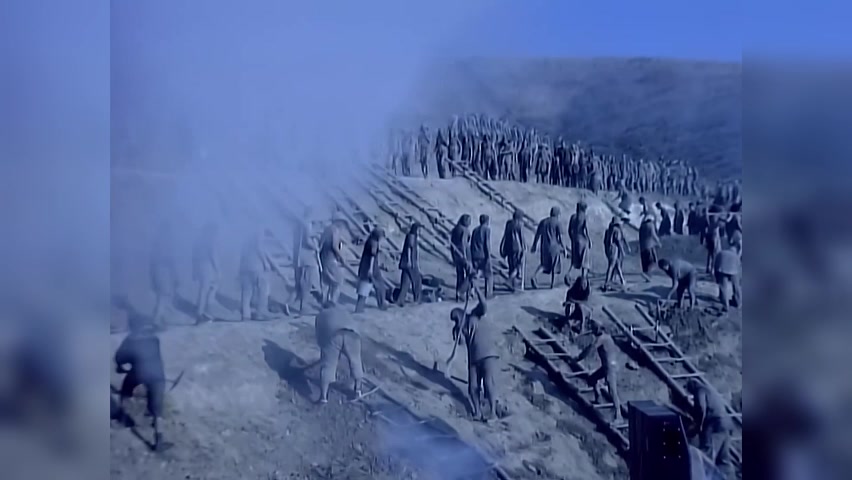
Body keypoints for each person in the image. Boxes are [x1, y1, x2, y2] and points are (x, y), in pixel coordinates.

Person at [114, 317, 167, 450]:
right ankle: (159, 441)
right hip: (157, 375)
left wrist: (120, 367)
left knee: (125, 391)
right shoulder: (154, 340)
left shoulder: (130, 341)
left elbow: (119, 357)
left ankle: (123, 417)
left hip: (138, 373)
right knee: (158, 409)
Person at [450, 284, 500, 421]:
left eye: (456, 318)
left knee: (488, 383)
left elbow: (484, 305)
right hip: (473, 359)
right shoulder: (460, 329)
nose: (455, 321)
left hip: (487, 354)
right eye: (454, 320)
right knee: (472, 387)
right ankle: (477, 412)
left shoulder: (474, 315)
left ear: (461, 314)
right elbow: (460, 343)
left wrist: (477, 289)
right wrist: (458, 331)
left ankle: (493, 413)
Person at [573, 320, 623, 423]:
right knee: (592, 379)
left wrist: (579, 358)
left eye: (593, 329)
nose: (592, 331)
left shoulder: (602, 339)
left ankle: (619, 416)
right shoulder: (607, 337)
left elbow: (590, 349)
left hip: (610, 367)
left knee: (612, 391)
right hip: (608, 366)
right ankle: (598, 398)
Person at [314, 300, 364, 403]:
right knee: (356, 361)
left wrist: (326, 352)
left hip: (334, 336)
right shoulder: (343, 311)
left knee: (328, 365)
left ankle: (323, 397)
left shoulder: (321, 315)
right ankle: (358, 390)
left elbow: (320, 336)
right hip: (353, 335)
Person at [685, 379, 734, 478]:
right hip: (727, 424)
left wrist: (698, 426)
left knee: (706, 455)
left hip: (715, 425)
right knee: (724, 459)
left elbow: (701, 408)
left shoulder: (700, 390)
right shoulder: (711, 391)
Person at [149, 222, 179, 329]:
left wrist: (152, 278)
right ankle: (157, 320)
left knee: (162, 296)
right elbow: (170, 260)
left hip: (157, 271)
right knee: (164, 296)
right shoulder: (165, 242)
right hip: (164, 271)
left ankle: (160, 318)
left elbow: (152, 262)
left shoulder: (155, 243)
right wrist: (175, 274)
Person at [239, 230, 273, 321]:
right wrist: (265, 263)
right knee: (262, 291)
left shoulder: (245, 234)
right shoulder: (259, 231)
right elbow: (259, 247)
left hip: (245, 267)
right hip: (257, 266)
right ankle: (260, 313)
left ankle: (246, 315)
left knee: (246, 293)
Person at [531, 206, 566, 289]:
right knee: (554, 265)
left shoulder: (543, 222)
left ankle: (534, 276)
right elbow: (560, 237)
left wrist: (534, 245)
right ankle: (552, 284)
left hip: (544, 247)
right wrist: (564, 248)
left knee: (544, 265)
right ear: (558, 214)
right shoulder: (558, 223)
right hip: (554, 247)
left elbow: (537, 234)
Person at [294, 208, 321, 315]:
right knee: (307, 282)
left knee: (306, 281)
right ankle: (303, 307)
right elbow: (307, 240)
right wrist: (316, 247)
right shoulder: (307, 224)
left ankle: (304, 304)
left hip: (302, 257)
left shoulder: (300, 224)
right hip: (308, 257)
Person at [355, 227, 387, 313]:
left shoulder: (369, 240)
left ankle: (359, 308)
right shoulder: (374, 243)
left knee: (364, 288)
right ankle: (381, 304)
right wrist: (371, 269)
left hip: (364, 266)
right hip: (371, 267)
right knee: (378, 286)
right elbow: (372, 256)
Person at [192, 222, 220, 323]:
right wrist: (217, 270)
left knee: (203, 290)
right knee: (209, 290)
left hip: (199, 267)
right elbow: (213, 255)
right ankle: (203, 313)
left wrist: (194, 271)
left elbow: (194, 257)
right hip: (208, 267)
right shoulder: (211, 240)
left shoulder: (198, 240)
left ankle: (201, 312)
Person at [319, 212, 347, 304]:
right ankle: (332, 301)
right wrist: (341, 257)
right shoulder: (335, 230)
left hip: (324, 258)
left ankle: (324, 300)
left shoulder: (327, 229)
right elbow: (334, 246)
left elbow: (320, 244)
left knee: (326, 282)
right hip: (332, 259)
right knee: (337, 281)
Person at [396, 222, 422, 306]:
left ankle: (400, 300)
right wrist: (410, 261)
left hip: (405, 262)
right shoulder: (412, 236)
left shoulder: (409, 235)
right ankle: (417, 299)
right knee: (417, 281)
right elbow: (409, 249)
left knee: (405, 282)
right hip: (410, 263)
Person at [499, 209, 527, 292]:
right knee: (518, 266)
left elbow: (505, 235)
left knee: (511, 266)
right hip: (517, 247)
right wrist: (524, 247)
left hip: (509, 247)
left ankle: (512, 286)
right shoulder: (520, 224)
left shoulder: (509, 223)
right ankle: (509, 280)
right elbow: (521, 237)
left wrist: (502, 247)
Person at [469, 214, 494, 298]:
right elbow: (487, 243)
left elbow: (472, 243)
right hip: (483, 255)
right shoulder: (487, 230)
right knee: (488, 274)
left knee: (476, 273)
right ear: (487, 221)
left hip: (474, 254)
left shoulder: (475, 230)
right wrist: (488, 256)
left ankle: (472, 290)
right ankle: (488, 293)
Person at [603, 217, 631, 290]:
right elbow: (618, 241)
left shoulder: (608, 230)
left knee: (617, 264)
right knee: (612, 265)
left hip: (609, 249)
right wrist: (622, 251)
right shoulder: (616, 230)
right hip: (614, 249)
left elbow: (604, 241)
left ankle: (622, 280)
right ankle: (607, 282)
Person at [450, 214, 473, 301]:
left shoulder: (455, 229)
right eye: (469, 221)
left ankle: (459, 294)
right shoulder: (465, 230)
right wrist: (465, 257)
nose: (470, 223)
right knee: (470, 274)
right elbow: (464, 243)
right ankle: (463, 292)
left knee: (460, 275)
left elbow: (452, 243)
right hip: (464, 254)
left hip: (456, 254)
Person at [568, 202, 592, 279]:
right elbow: (586, 229)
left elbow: (569, 230)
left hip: (575, 239)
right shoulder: (584, 217)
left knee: (575, 260)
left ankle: (568, 274)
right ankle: (583, 278)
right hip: (583, 239)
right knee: (585, 260)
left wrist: (572, 238)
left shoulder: (573, 217)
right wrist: (589, 239)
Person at [563, 272, 591, 338]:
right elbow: (567, 305)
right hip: (577, 312)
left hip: (586, 312)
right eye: (583, 284)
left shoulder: (587, 290)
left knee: (581, 306)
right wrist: (567, 318)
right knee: (569, 323)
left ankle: (582, 327)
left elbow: (585, 302)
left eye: (585, 284)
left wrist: (573, 301)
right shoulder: (571, 291)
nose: (584, 286)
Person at [639, 215, 661, 282]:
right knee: (653, 261)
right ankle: (647, 274)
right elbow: (653, 235)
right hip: (649, 246)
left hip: (642, 247)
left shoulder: (642, 226)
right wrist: (658, 242)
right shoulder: (650, 225)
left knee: (645, 263)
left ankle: (647, 277)